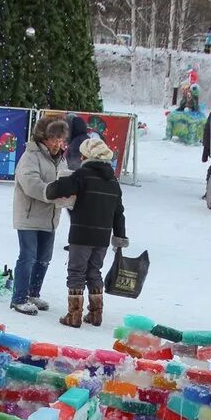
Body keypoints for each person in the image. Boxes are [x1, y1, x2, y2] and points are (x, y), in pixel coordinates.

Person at [44, 138, 126, 329]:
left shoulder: (82, 175)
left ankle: (74, 315)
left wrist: (61, 180)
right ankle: (96, 314)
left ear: (87, 156)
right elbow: (118, 212)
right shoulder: (113, 182)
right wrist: (120, 236)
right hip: (102, 237)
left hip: (82, 234)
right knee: (94, 272)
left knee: (76, 272)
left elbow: (56, 191)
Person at [10, 116, 70, 315]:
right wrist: (54, 192)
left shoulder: (61, 158)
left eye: (60, 139)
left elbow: (64, 181)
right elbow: (31, 184)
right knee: (28, 256)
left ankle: (33, 293)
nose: (57, 144)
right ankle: (19, 298)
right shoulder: (31, 156)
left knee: (44, 258)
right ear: (43, 138)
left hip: (50, 217)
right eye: (53, 139)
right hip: (29, 216)